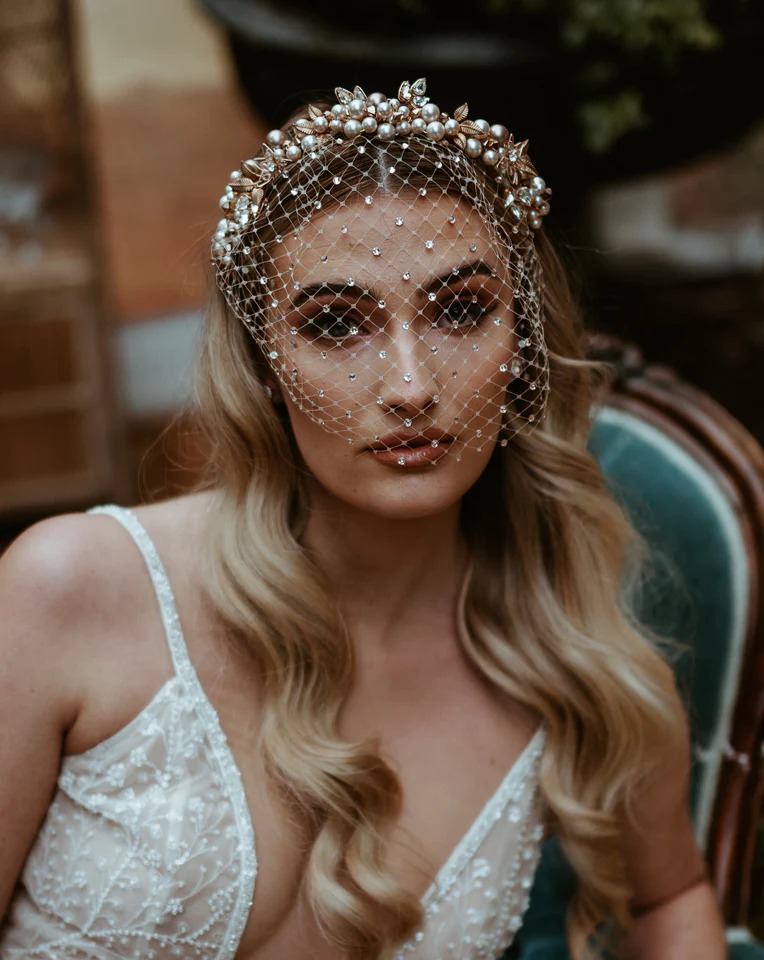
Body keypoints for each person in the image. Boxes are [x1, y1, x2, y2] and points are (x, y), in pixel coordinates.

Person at [0, 79, 726, 960]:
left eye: (461, 311)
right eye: (339, 325)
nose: (412, 386)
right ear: (263, 362)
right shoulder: (68, 591)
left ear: (522, 342)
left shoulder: (578, 667)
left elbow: (675, 897)